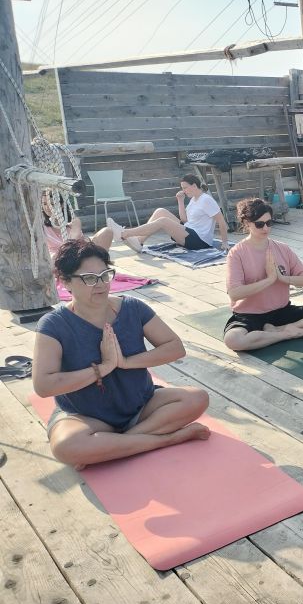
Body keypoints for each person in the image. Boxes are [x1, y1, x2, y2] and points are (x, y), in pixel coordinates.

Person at [32, 239, 211, 469]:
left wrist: (125, 362)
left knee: (197, 398)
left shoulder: (132, 308)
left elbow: (175, 347)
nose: (100, 284)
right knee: (66, 446)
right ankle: (167, 439)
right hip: (86, 417)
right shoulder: (53, 324)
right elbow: (44, 385)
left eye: (105, 275)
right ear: (65, 282)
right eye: (89, 278)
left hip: (142, 408)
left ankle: (116, 445)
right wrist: (104, 367)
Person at [223, 198, 303, 351]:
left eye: (269, 223)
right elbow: (234, 294)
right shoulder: (236, 253)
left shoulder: (282, 248)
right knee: (233, 340)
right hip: (250, 314)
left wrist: (282, 278)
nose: (266, 228)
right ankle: (287, 334)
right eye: (259, 224)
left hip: (282, 311)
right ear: (246, 223)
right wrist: (270, 279)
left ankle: (282, 328)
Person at [107, 174, 228, 253]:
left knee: (163, 222)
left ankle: (124, 233)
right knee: (161, 212)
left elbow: (222, 222)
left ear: (195, 186)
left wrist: (224, 243)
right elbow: (185, 220)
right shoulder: (193, 199)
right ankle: (139, 241)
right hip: (189, 231)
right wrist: (180, 201)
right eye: (182, 188)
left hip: (199, 241)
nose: (183, 191)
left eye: (185, 188)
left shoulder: (206, 200)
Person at [41, 191, 113, 255]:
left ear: (62, 205)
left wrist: (86, 241)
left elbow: (74, 241)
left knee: (107, 231)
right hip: (58, 260)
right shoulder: (41, 226)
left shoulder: (74, 222)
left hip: (78, 255)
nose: (47, 208)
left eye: (52, 204)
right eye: (44, 204)